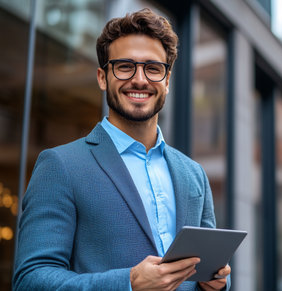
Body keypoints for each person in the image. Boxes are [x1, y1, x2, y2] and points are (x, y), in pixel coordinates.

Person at [13, 8, 230, 291]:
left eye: (153, 68)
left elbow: (206, 272)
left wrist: (215, 284)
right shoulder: (60, 166)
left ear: (167, 80)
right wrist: (128, 283)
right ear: (103, 78)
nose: (140, 79)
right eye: (125, 66)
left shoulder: (194, 174)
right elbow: (30, 280)